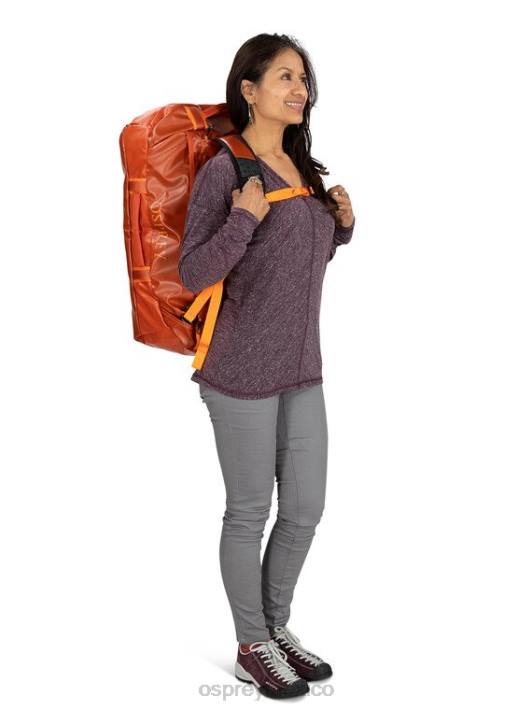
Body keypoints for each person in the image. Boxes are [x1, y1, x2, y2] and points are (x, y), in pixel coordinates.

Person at [179, 32, 355, 700]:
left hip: (302, 368)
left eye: (303, 78)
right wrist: (242, 220)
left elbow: (296, 262)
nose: (299, 89)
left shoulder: (303, 168)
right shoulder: (227, 169)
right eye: (285, 77)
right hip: (239, 372)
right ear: (248, 90)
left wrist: (339, 227)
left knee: (305, 509)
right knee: (249, 512)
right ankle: (252, 644)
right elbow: (194, 271)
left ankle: (276, 629)